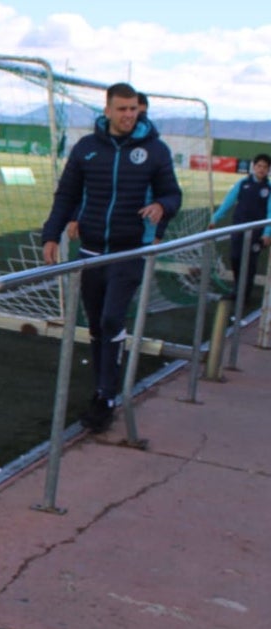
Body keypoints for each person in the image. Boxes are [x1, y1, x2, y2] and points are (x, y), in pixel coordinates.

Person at [41, 82, 181, 433]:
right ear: (107, 110)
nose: (129, 115)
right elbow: (67, 194)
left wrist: (162, 205)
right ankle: (102, 386)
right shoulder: (87, 148)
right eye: (122, 109)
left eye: (134, 109)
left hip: (130, 250)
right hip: (90, 252)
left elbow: (172, 194)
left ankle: (106, 396)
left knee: (111, 319)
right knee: (97, 327)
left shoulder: (155, 151)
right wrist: (50, 235)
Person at [208, 152, 271, 307]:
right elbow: (228, 202)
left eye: (265, 167)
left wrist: (267, 233)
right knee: (236, 258)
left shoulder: (268, 189)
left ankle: (244, 295)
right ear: (254, 167)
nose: (261, 169)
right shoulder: (242, 184)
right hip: (238, 229)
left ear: (268, 170)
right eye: (259, 166)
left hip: (256, 232)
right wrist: (215, 219)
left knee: (249, 263)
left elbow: (270, 212)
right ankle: (237, 289)